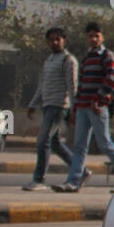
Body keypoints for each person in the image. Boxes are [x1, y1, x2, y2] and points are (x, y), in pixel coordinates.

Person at [54, 22, 114, 192]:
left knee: (105, 144)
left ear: (102, 37)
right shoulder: (87, 59)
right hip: (83, 108)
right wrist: (75, 108)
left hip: (97, 108)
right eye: (90, 36)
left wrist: (98, 99)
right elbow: (81, 86)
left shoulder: (107, 56)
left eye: (97, 36)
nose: (93, 39)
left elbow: (112, 79)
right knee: (79, 146)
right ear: (86, 38)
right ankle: (74, 181)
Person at [22, 28, 79, 191]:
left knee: (42, 140)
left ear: (64, 40)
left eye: (58, 39)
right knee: (54, 144)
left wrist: (74, 110)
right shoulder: (49, 60)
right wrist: (33, 103)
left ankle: (39, 179)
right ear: (47, 42)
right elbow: (42, 85)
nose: (54, 42)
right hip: (47, 105)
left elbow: (72, 86)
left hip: (59, 106)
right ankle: (80, 170)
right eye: (51, 40)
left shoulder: (68, 60)